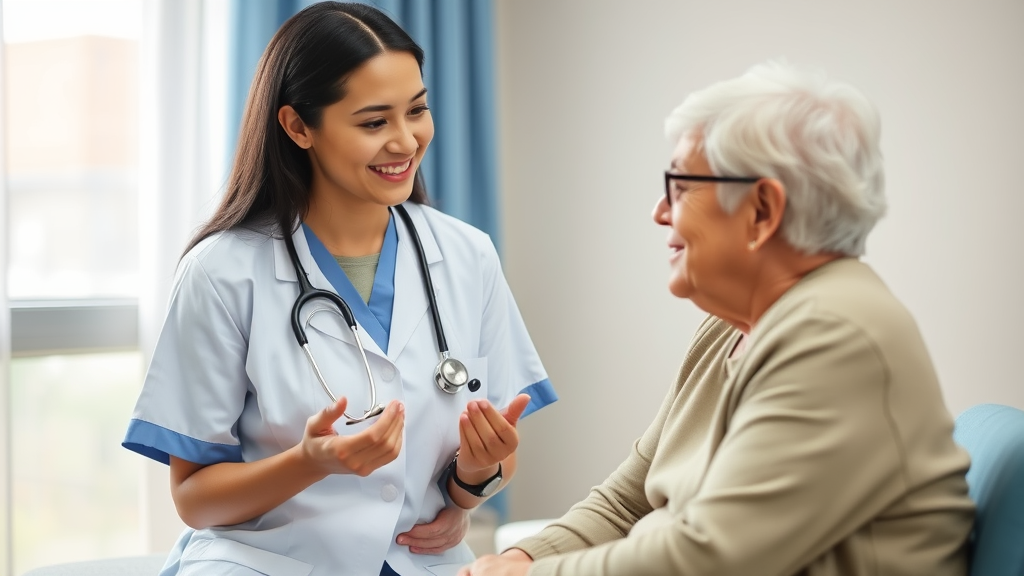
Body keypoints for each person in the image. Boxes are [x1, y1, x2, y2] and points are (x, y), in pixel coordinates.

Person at [460, 61, 973, 576]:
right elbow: (629, 499)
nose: (661, 211)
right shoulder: (736, 324)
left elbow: (713, 557)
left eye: (680, 186)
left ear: (761, 211)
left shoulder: (835, 336)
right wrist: (519, 558)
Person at [121, 3, 557, 575]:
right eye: (374, 122)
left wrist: (476, 478)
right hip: (265, 564)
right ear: (298, 126)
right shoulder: (222, 273)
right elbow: (195, 499)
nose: (405, 141)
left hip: (419, 561)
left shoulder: (467, 256)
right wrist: (309, 461)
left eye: (417, 111)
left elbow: (473, 476)